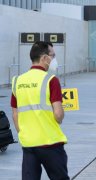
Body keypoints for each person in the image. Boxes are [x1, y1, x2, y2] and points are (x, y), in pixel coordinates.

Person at [10, 41, 69, 180]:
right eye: (52, 56)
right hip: (50, 143)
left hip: (29, 144)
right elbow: (58, 115)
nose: (54, 60)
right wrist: (60, 114)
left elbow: (15, 114)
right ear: (44, 58)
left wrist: (24, 134)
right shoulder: (51, 80)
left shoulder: (17, 81)